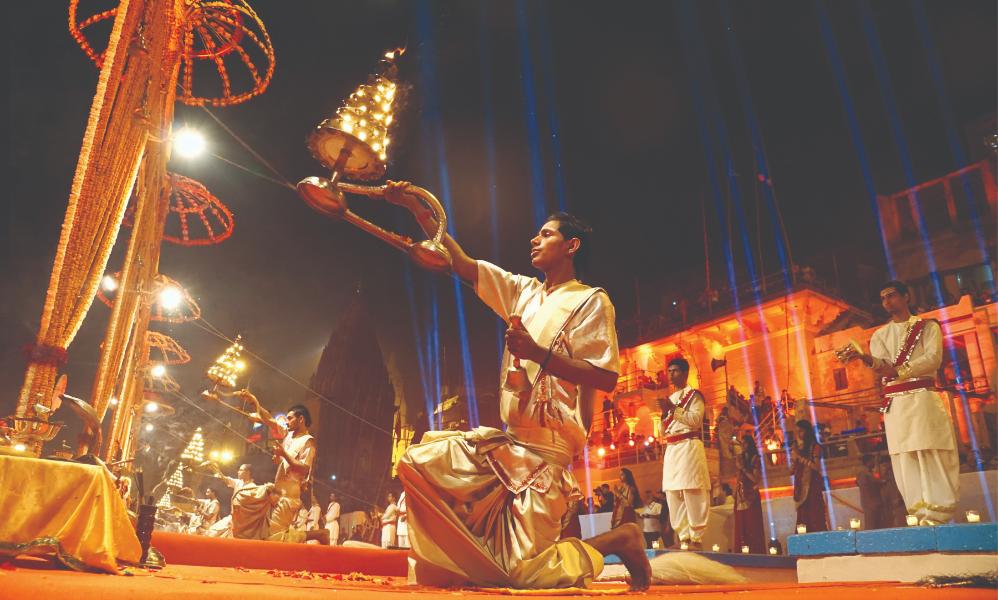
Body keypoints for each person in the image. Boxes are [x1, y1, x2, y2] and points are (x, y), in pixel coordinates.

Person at [389, 195, 651, 590]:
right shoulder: (523, 292)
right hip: (506, 446)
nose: (534, 240)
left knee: (521, 575)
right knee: (418, 460)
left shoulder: (591, 301)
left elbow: (605, 377)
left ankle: (620, 540)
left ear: (571, 246)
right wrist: (417, 210)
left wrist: (536, 353)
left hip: (547, 453)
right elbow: (461, 264)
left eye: (545, 234)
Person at [849, 280, 960, 526]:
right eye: (883, 298)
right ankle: (918, 513)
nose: (887, 301)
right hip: (896, 405)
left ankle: (938, 514)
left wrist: (899, 369)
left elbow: (932, 359)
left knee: (930, 449)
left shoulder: (928, 327)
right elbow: (882, 368)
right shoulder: (880, 335)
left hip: (922, 398)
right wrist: (866, 359)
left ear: (906, 296)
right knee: (904, 456)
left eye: (891, 295)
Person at [659, 357, 711, 550]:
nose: (671, 374)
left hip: (689, 445)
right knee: (673, 492)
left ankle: (696, 538)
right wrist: (665, 414)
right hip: (672, 448)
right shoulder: (670, 399)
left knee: (692, 490)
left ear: (685, 373)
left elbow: (696, 420)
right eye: (669, 371)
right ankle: (683, 538)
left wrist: (673, 410)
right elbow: (662, 431)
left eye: (675, 371)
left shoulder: (695, 396)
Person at [791, 420, 828, 532]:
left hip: (812, 486)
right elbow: (791, 471)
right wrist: (793, 460)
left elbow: (817, 467)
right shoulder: (797, 448)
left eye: (801, 431)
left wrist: (800, 458)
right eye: (797, 431)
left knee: (814, 515)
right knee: (803, 516)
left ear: (807, 431)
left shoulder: (815, 447)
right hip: (800, 487)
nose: (798, 434)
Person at [732, 434, 765, 553]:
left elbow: (755, 479)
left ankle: (755, 552)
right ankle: (742, 552)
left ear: (750, 444)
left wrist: (743, 468)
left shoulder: (755, 458)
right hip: (740, 496)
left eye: (745, 443)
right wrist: (735, 492)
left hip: (751, 495)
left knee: (752, 525)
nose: (743, 446)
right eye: (742, 443)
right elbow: (738, 477)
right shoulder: (740, 457)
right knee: (741, 524)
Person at [856, 454, 886, 530]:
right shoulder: (864, 473)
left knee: (878, 525)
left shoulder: (868, 473)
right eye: (872, 461)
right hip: (870, 504)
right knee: (871, 525)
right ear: (868, 462)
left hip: (874, 503)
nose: (874, 463)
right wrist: (881, 482)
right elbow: (868, 485)